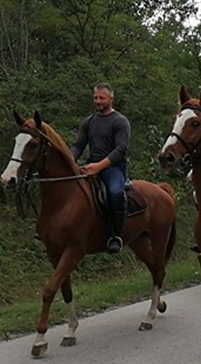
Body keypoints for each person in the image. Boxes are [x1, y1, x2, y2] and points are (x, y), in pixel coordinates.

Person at [69, 83, 131, 254]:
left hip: (114, 169)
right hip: (90, 166)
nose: (98, 101)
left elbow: (121, 149)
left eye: (101, 98)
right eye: (95, 97)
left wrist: (99, 166)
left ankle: (116, 235)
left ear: (111, 99)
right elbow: (78, 145)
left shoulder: (120, 121)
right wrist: (69, 160)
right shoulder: (88, 122)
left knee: (114, 193)